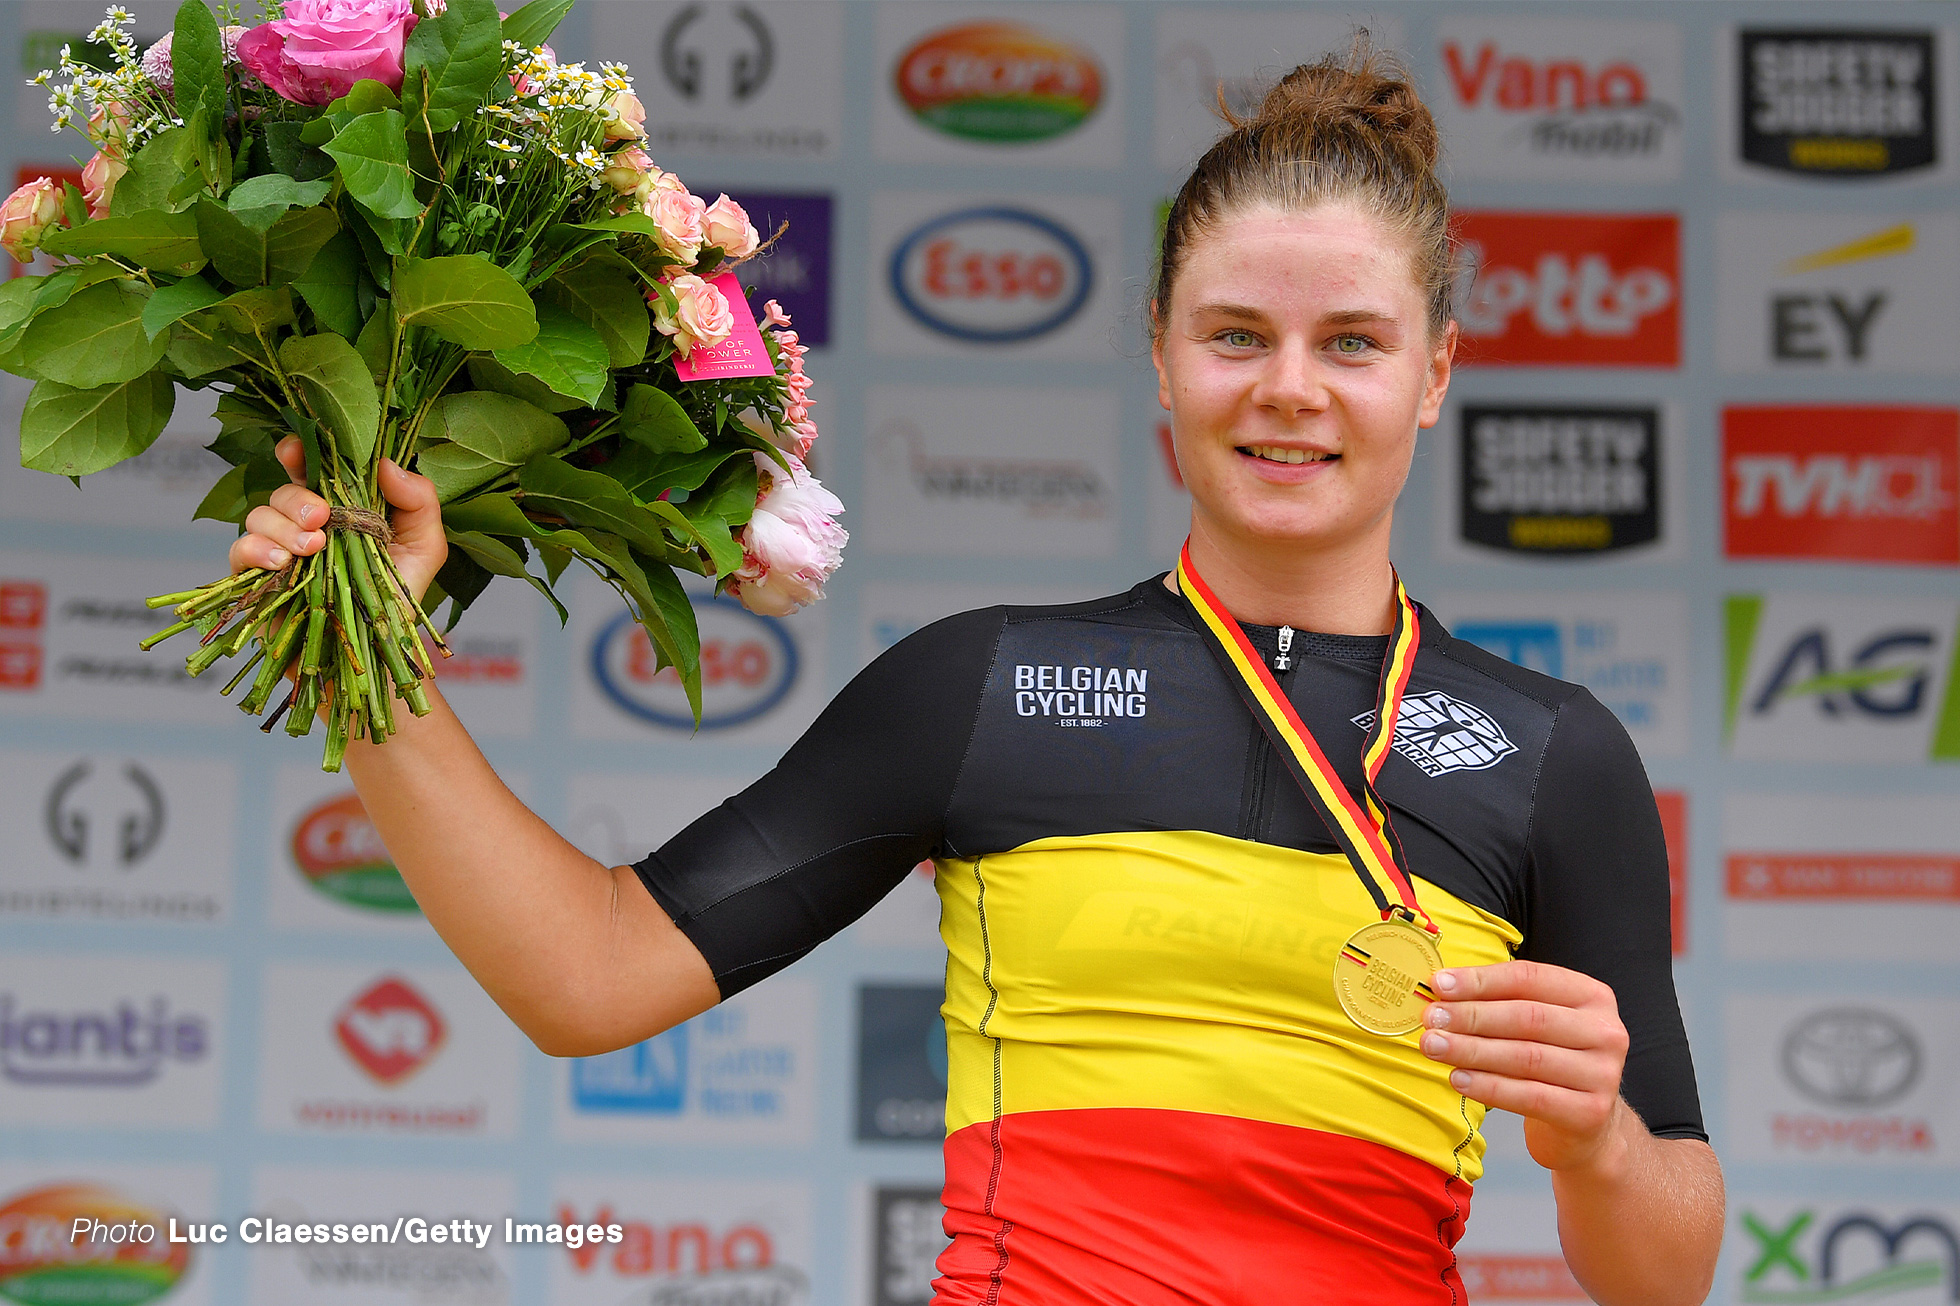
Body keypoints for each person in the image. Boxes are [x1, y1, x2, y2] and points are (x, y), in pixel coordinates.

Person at [230, 44, 1723, 1306]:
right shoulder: (988, 685)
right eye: (1235, 335)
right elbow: (589, 970)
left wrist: (1595, 1142)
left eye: (1353, 341)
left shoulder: (1551, 753)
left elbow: (1668, 1268)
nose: (1289, 387)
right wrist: (379, 661)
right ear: (1157, 353)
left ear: (1436, 371)